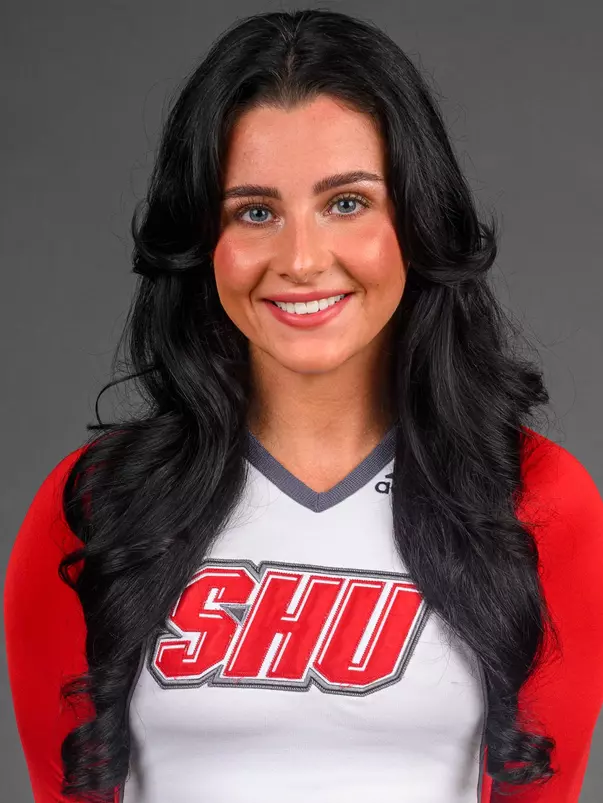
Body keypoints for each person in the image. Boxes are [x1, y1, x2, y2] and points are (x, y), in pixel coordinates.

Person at [4, 8, 603, 803]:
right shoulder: (91, 508)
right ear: (203, 241)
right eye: (254, 211)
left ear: (412, 220)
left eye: (346, 202)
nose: (300, 259)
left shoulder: (536, 500)